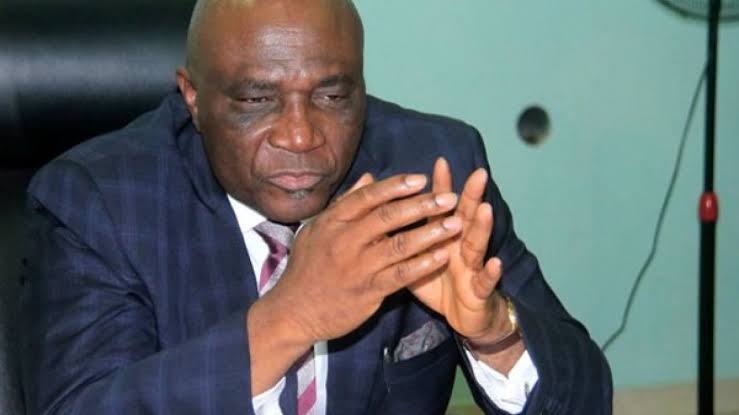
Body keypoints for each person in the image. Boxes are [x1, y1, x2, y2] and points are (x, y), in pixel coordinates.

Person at [20, 0, 612, 414]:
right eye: (257, 100)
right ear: (193, 98)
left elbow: (587, 397)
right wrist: (291, 317)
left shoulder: (430, 170)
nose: (301, 136)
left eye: (331, 95)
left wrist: (494, 334)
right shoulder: (101, 202)